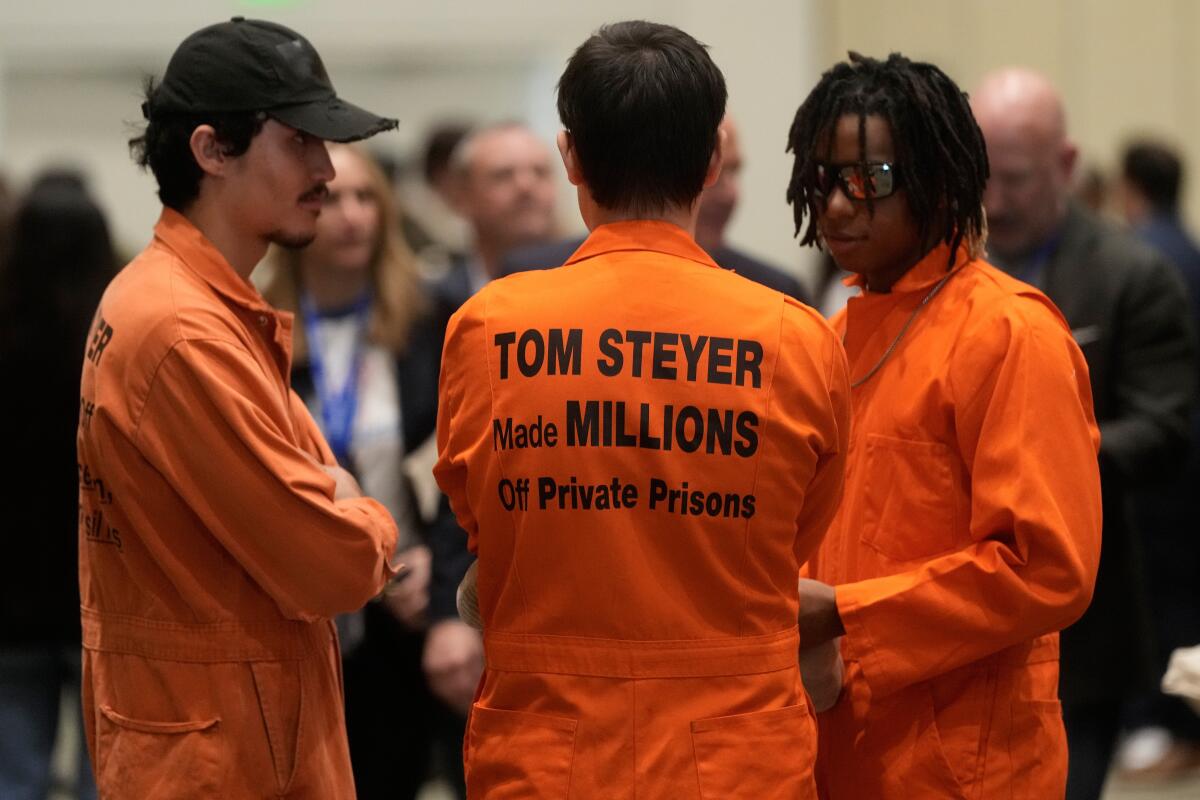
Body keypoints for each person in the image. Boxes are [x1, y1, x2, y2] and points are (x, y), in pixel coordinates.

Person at [435, 21, 850, 798]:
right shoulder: (796, 337)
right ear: (712, 160)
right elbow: (796, 532)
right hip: (737, 760)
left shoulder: (487, 330)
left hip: (545, 755)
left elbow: (481, 517)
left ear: (570, 157)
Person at [76, 18, 402, 798]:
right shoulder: (183, 327)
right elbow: (329, 566)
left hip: (225, 737)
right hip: (225, 761)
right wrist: (370, 519)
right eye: (300, 141)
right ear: (212, 150)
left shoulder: (195, 302)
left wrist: (338, 500)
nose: (327, 169)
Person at [788, 52, 1102, 798]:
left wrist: (843, 614)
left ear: (939, 179)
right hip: (839, 747)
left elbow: (1047, 567)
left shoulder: (1009, 331)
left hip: (967, 764)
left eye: (869, 179)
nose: (837, 206)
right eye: (824, 179)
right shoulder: (834, 336)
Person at [972, 68, 1197, 800]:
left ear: (1065, 165)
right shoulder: (949, 266)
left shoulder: (1134, 275)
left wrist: (1041, 454)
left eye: (1015, 178)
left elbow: (1166, 430)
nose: (994, 201)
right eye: (982, 177)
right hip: (964, 624)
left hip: (1083, 629)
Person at [262, 144, 467, 799]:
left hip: (412, 598)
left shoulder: (433, 320)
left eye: (366, 198)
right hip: (308, 606)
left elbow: (462, 463)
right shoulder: (258, 328)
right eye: (332, 199)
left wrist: (441, 573)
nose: (352, 216)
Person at [0, 172, 111, 800]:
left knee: (14, 777)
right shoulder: (111, 346)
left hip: (10, 598)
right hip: (99, 589)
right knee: (109, 776)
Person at [500, 115, 808, 301]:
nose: (729, 194)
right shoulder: (530, 281)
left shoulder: (775, 292)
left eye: (736, 171)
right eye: (708, 169)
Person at [1115, 139, 1200, 780]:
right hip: (1191, 450)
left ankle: (1174, 731)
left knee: (1162, 598)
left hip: (1160, 461)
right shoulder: (1190, 251)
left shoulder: (1140, 259)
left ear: (1131, 187)